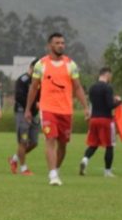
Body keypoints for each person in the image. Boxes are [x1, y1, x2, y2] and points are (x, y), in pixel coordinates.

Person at [24, 32, 89, 186]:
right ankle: (52, 174)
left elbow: (78, 87)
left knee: (63, 144)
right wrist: (28, 109)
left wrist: (86, 107)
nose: (61, 45)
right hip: (47, 109)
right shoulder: (41, 65)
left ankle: (56, 169)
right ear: (49, 45)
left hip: (66, 110)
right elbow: (33, 88)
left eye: (62, 43)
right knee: (50, 139)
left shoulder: (70, 65)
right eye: (57, 43)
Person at [79, 67, 122, 177]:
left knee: (93, 144)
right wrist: (118, 102)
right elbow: (109, 105)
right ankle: (107, 171)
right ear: (107, 74)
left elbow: (92, 104)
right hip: (105, 120)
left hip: (94, 119)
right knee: (109, 145)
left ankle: (85, 160)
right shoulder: (108, 87)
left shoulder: (92, 88)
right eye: (110, 75)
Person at [8, 60, 39, 176]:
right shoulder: (23, 80)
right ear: (31, 67)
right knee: (23, 141)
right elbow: (19, 97)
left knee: (34, 142)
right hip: (22, 112)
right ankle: (24, 168)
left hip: (35, 114)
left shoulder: (40, 81)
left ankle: (14, 159)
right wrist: (31, 105)